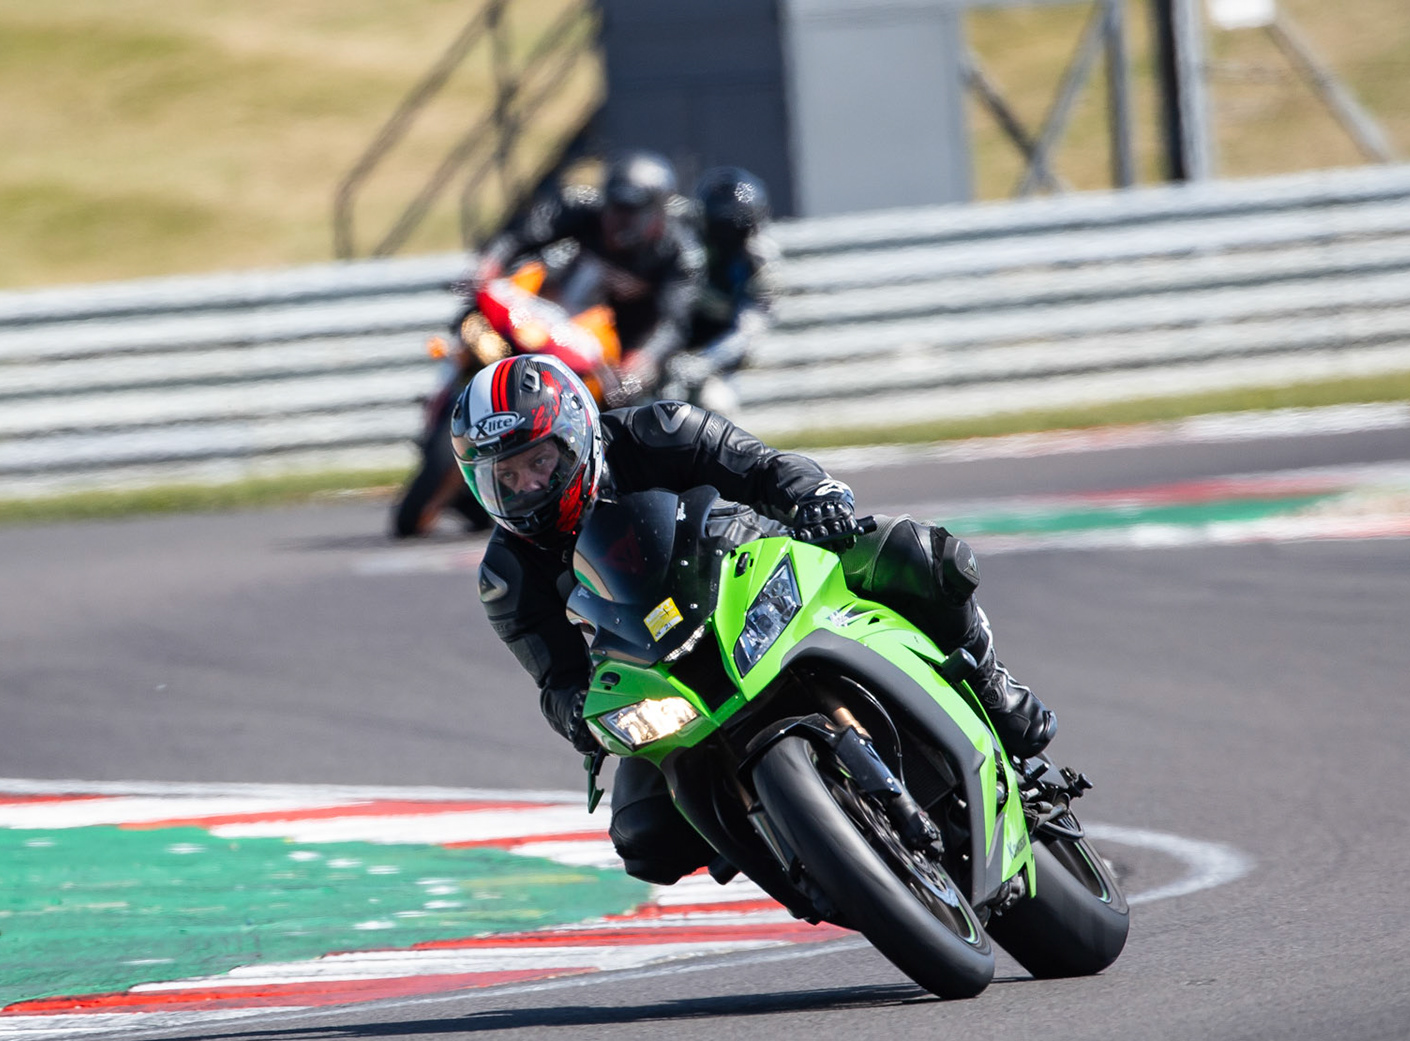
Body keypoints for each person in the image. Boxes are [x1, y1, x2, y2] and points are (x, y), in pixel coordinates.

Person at [453, 352, 1056, 887]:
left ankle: (994, 690)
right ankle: (794, 846)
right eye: (503, 478)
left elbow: (766, 468)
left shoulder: (660, 431)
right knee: (644, 838)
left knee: (920, 554)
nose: (527, 486)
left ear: (575, 434)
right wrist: (579, 717)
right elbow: (557, 681)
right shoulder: (506, 575)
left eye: (538, 461)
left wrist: (815, 497)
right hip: (662, 673)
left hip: (759, 579)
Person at [471, 150, 703, 407]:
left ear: (657, 212)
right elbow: (520, 236)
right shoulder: (582, 207)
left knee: (633, 398)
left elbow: (672, 324)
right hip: (561, 325)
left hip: (622, 353)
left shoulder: (681, 254)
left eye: (632, 211)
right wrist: (488, 267)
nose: (619, 220)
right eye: (615, 207)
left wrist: (640, 363)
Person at [665, 166, 778, 418]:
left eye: (736, 227)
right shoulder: (677, 229)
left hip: (715, 346)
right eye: (721, 225)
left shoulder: (760, 260)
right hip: (661, 335)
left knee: (716, 406)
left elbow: (749, 328)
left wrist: (705, 361)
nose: (727, 234)